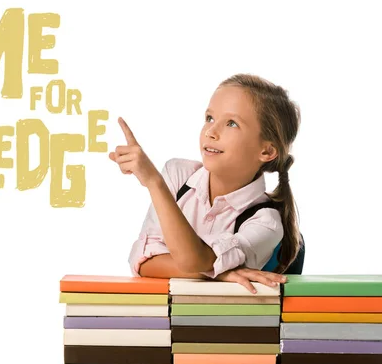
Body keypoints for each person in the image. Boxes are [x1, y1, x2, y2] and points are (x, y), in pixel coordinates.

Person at [109, 73, 302, 293]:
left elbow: (194, 261)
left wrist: (154, 183)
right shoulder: (177, 175)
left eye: (231, 123)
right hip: (164, 318)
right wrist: (220, 272)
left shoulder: (266, 221)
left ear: (266, 150)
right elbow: (143, 261)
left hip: (228, 322)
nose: (211, 132)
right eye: (209, 118)